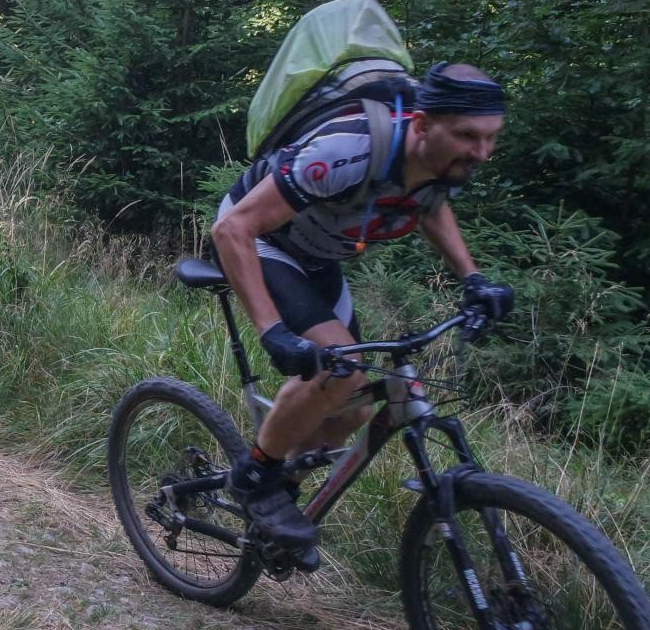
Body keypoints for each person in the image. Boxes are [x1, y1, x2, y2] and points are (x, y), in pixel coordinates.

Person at [210, 63, 515, 557]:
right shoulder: (346, 149)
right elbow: (232, 230)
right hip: (262, 241)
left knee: (353, 410)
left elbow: (430, 206)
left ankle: (281, 497)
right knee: (343, 368)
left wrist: (473, 278)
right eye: (467, 136)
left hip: (319, 258)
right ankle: (255, 476)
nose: (481, 152)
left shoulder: (442, 162)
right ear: (422, 125)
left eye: (491, 137)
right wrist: (272, 330)